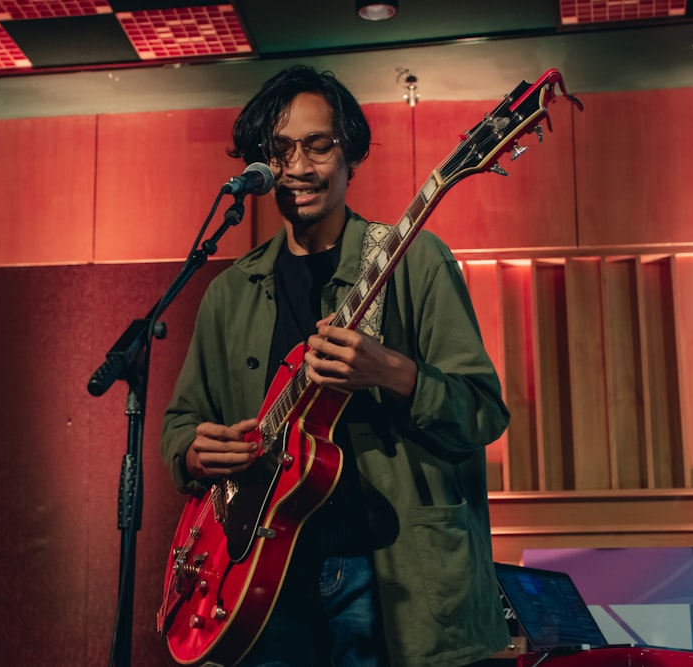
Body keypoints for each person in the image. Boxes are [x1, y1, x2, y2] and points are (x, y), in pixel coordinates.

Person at [160, 64, 510, 666]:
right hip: (260, 580)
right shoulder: (230, 291)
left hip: (382, 574)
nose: (298, 166)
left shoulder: (412, 261)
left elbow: (482, 412)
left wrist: (392, 374)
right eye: (281, 150)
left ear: (351, 155)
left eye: (318, 145)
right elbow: (181, 423)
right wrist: (194, 451)